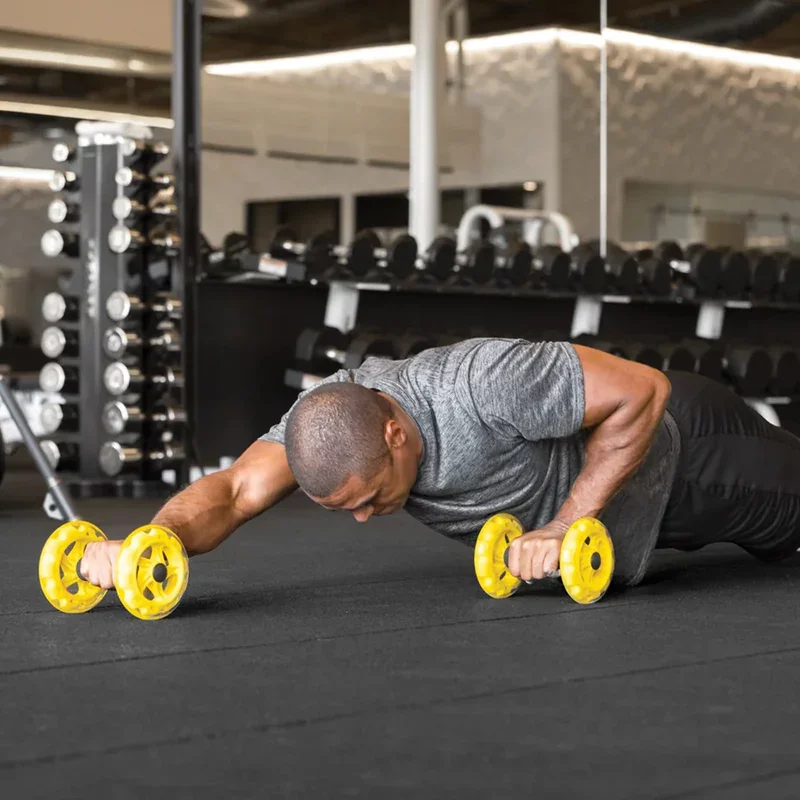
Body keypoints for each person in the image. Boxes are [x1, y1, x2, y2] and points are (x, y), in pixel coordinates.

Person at [78, 337, 800, 592]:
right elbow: (234, 491)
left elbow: (644, 390)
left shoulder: (485, 381)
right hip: (637, 523)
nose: (363, 517)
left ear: (395, 433)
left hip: (690, 458)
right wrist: (153, 542)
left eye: (369, 497)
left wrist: (565, 523)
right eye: (347, 509)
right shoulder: (331, 417)